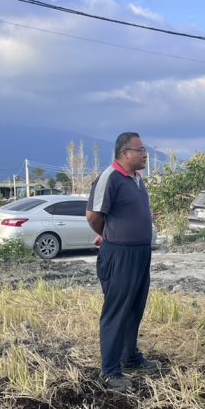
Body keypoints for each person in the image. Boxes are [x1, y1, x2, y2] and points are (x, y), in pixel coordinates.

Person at [86, 132, 155, 391]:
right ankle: (110, 372)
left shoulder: (137, 179)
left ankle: (130, 358)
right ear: (125, 153)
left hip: (140, 253)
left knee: (135, 308)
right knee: (116, 312)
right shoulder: (110, 177)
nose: (145, 154)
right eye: (141, 150)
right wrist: (109, 236)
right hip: (120, 255)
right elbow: (93, 215)